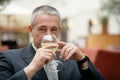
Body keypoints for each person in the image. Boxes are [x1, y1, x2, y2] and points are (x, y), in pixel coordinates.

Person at [0, 5, 105, 80]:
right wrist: (32, 68)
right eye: (42, 29)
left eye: (54, 29)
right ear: (31, 30)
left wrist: (82, 61)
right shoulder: (8, 58)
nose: (49, 35)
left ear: (59, 30)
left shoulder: (71, 59)